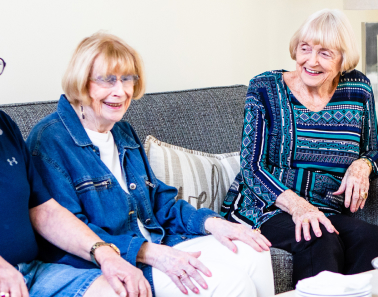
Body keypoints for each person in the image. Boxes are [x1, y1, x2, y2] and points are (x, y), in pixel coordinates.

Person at [26, 33, 275, 297]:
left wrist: (214, 223)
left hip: (159, 243)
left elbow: (160, 203)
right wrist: (153, 254)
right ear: (81, 81)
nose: (120, 91)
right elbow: (72, 232)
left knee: (254, 252)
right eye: (107, 79)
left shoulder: (122, 132)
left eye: (127, 79)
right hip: (116, 263)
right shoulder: (50, 140)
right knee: (230, 283)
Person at [221, 9, 378, 286]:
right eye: (305, 49)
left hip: (325, 208)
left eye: (325, 53)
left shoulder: (358, 88)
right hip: (265, 207)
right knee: (318, 237)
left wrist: (363, 165)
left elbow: (373, 149)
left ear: (342, 60)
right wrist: (299, 207)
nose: (311, 61)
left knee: (372, 237)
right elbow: (251, 167)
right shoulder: (265, 88)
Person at [0, 56, 151, 297]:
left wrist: (104, 253)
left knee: (120, 291)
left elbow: (44, 209)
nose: (119, 91)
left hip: (33, 272)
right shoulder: (50, 137)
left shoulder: (4, 125)